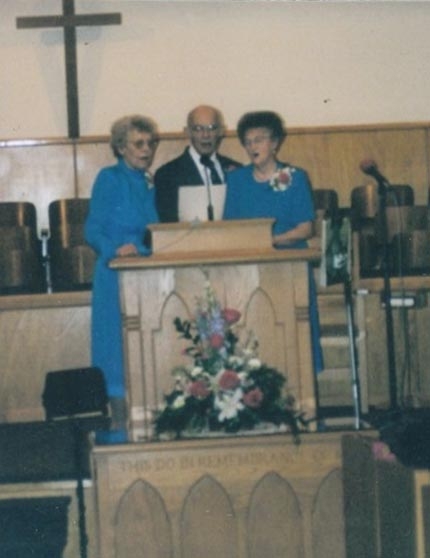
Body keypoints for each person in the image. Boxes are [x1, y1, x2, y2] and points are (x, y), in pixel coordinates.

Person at [223, 110, 324, 374]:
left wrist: (271, 240)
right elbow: (230, 228)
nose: (253, 146)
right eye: (248, 141)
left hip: (289, 269)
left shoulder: (295, 177)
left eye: (259, 139)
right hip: (248, 271)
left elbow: (306, 228)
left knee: (294, 338)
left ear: (275, 143)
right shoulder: (236, 180)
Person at [85, 114, 159, 443]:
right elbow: (92, 229)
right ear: (120, 147)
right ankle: (117, 427)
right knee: (115, 350)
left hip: (144, 272)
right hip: (115, 274)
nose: (147, 150)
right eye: (139, 144)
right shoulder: (109, 178)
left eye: (150, 143)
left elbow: (152, 230)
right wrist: (116, 250)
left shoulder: (147, 182)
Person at [154, 105, 241, 222]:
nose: (206, 135)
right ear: (187, 132)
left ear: (221, 131)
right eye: (198, 129)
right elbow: (167, 224)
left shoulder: (238, 170)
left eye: (212, 128)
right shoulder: (167, 175)